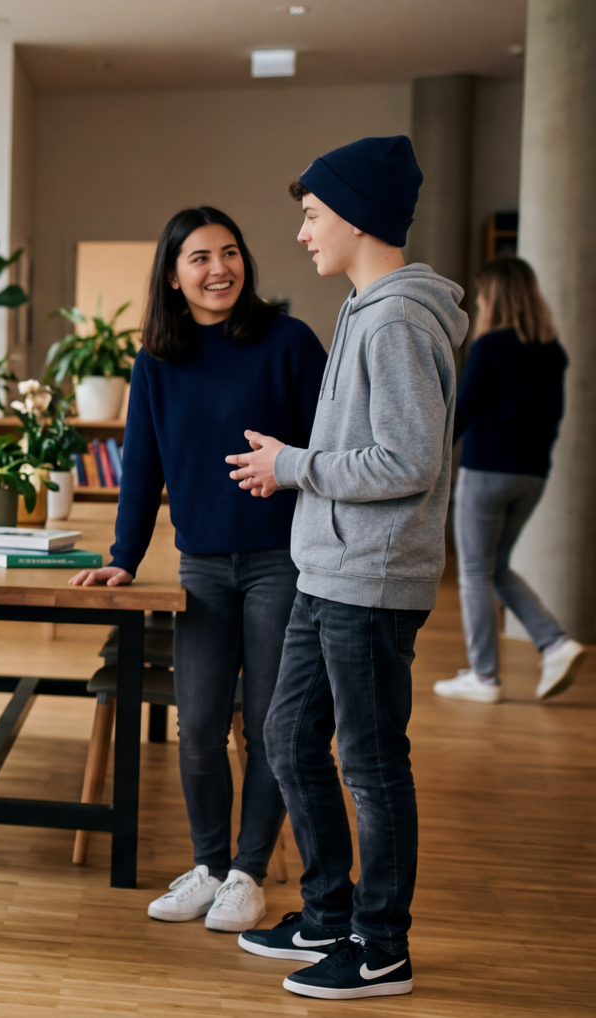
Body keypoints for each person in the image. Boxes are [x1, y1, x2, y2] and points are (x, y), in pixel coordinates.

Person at [225, 135, 467, 1001]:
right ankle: (326, 911)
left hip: (369, 580)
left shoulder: (400, 317)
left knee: (369, 763)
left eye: (312, 215)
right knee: (288, 738)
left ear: (356, 216)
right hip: (324, 572)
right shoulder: (365, 308)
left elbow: (408, 461)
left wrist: (293, 466)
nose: (301, 234)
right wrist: (295, 462)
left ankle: (382, 946)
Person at [70, 206, 325, 933]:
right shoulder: (156, 361)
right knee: (199, 725)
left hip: (283, 562)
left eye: (231, 253)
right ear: (174, 277)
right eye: (200, 259)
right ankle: (210, 866)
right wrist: (123, 559)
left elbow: (329, 448)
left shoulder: (289, 342)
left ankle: (249, 872)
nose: (220, 269)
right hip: (202, 566)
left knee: (272, 727)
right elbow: (142, 469)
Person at [432, 256, 585, 704]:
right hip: (532, 476)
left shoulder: (492, 346)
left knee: (476, 570)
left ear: (494, 297)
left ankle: (484, 676)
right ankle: (555, 643)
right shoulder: (551, 351)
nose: (479, 302)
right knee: (495, 567)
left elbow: (466, 409)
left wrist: (432, 457)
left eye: (481, 295)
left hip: (487, 472)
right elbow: (553, 417)